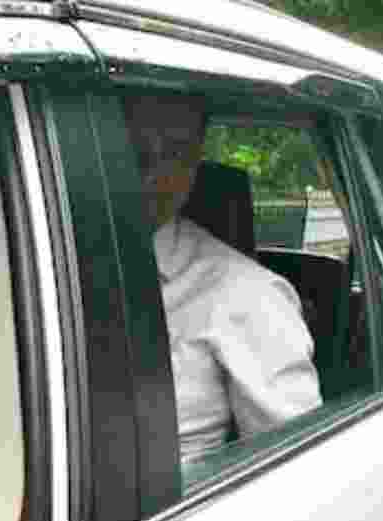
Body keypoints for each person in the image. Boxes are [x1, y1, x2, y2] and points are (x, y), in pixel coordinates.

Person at [122, 92, 323, 465]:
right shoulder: (33, 252)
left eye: (175, 152)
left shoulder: (247, 296)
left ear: (195, 166)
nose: (150, 170)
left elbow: (298, 468)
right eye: (132, 147)